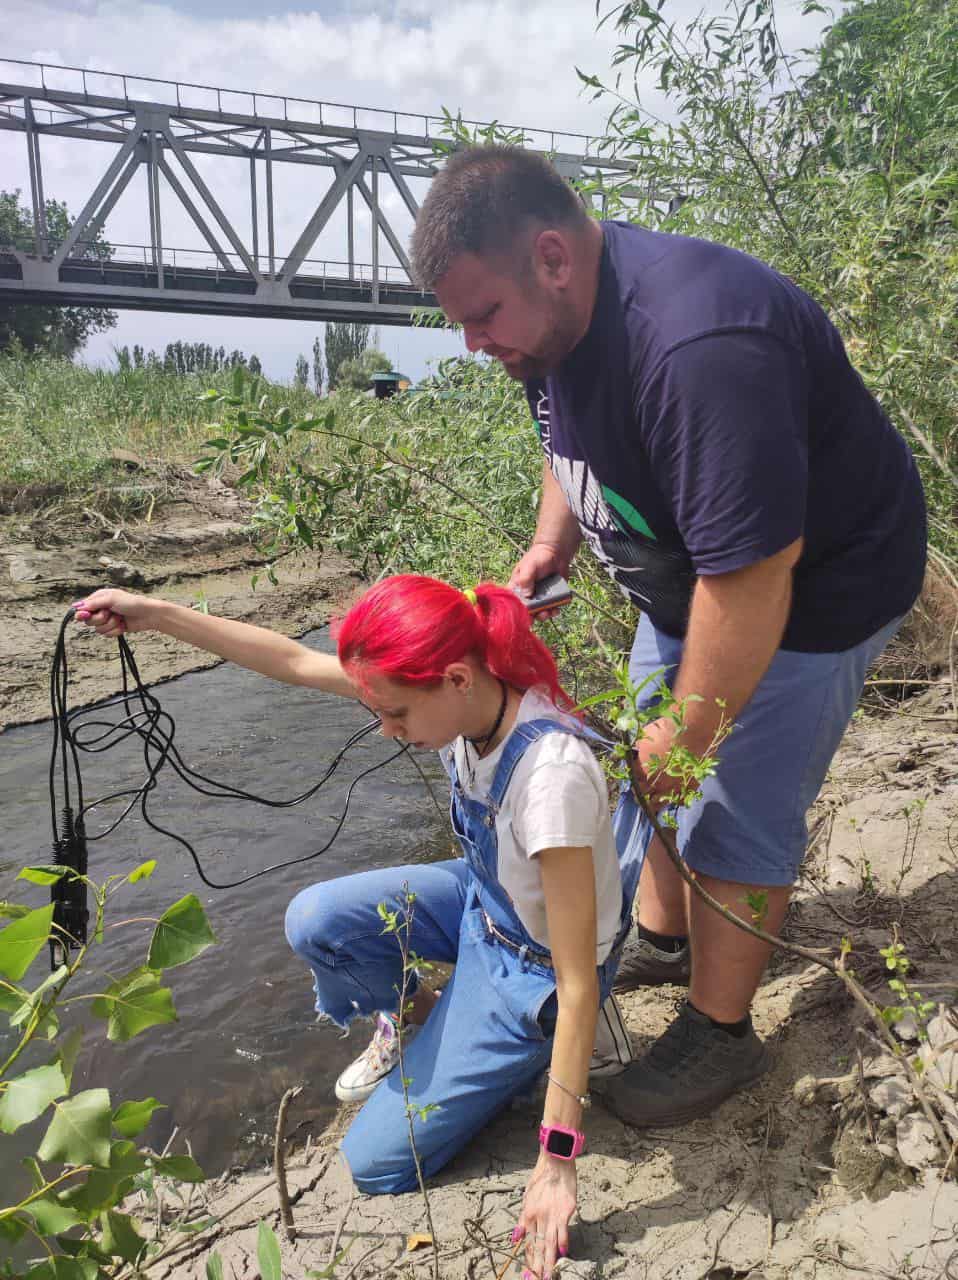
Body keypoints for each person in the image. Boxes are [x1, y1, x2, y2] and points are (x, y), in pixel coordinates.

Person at [408, 146, 928, 1128]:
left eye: (482, 317)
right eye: (461, 323)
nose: (475, 343)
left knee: (731, 798)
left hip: (809, 590)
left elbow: (754, 578)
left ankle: (719, 1030)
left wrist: (689, 739)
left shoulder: (697, 344)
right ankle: (664, 931)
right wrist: (546, 546)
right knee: (648, 772)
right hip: (690, 585)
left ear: (552, 258)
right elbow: (567, 437)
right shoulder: (549, 333)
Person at [73, 575, 644, 1280]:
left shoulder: (549, 777)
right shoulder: (459, 696)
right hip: (484, 901)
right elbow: (290, 662)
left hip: (538, 964)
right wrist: (153, 613)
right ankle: (430, 1015)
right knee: (316, 919)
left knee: (374, 1165)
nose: (386, 730)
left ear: (456, 679)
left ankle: (547, 1045)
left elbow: (577, 975)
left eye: (395, 713)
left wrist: (557, 1160)